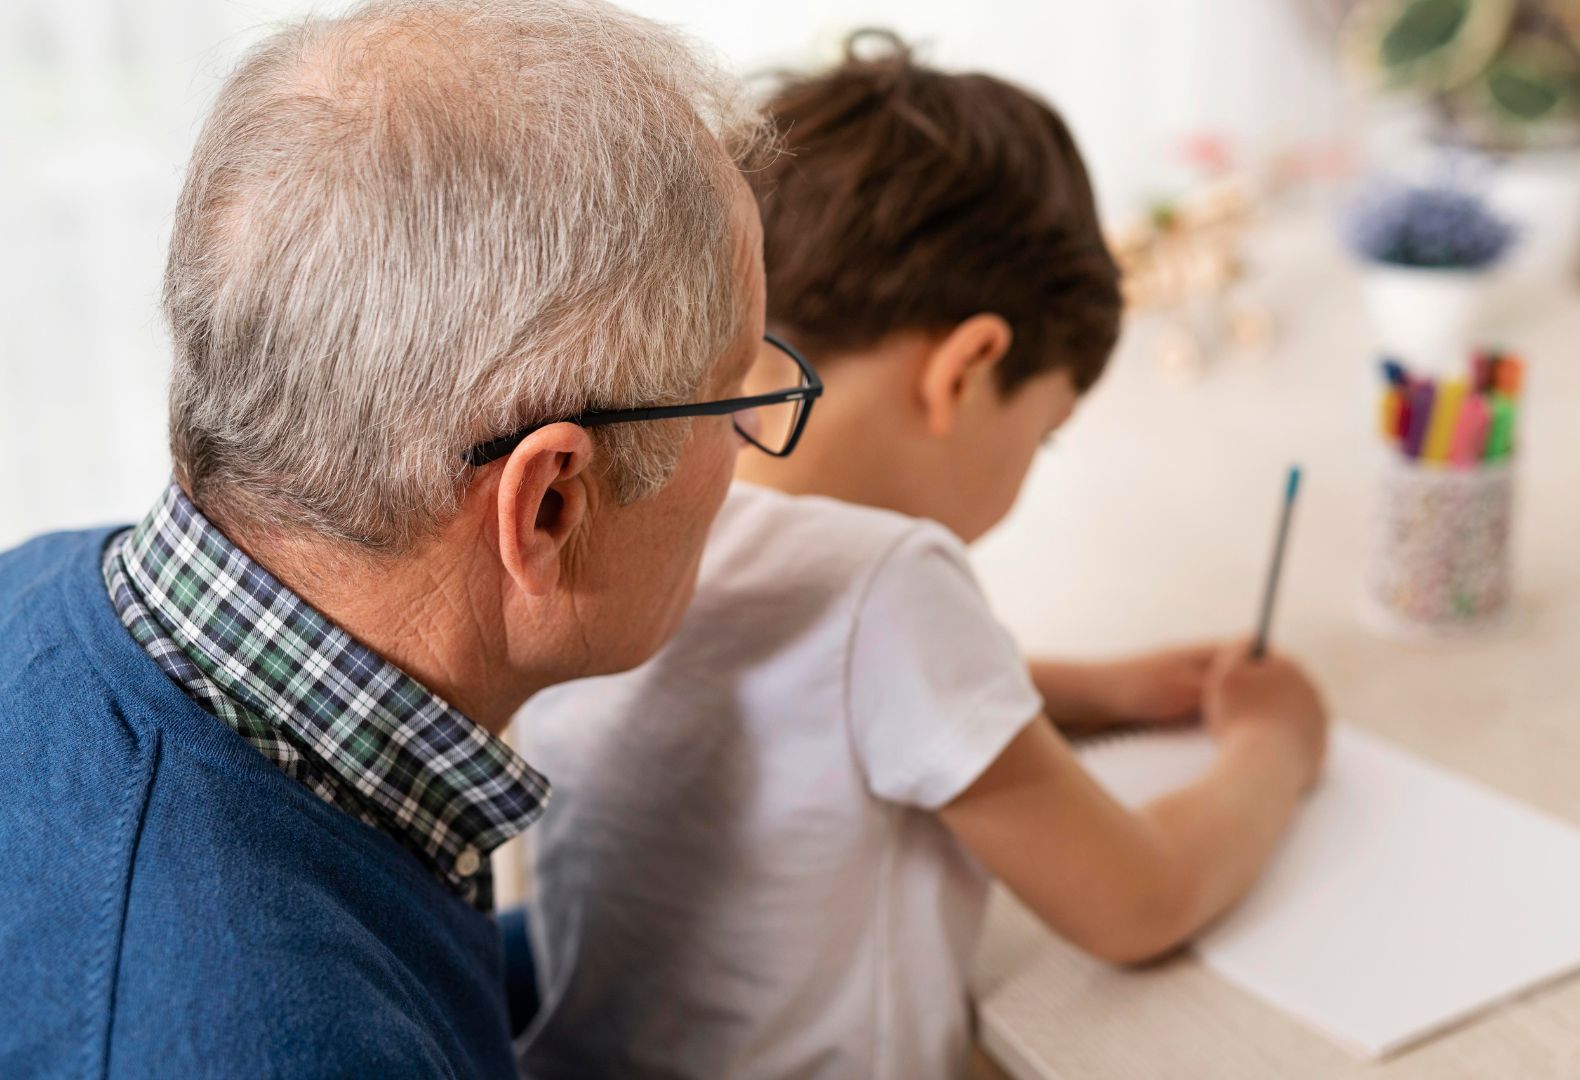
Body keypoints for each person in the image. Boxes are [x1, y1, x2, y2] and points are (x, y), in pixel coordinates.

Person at [514, 34, 1331, 1079]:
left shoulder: (639, 524)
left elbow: (810, 703)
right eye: (1042, 434)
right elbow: (1140, 900)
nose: (1031, 466)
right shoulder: (886, 580)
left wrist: (1104, 689)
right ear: (969, 368)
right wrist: (1273, 747)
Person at [0, 1, 789, 1074]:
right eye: (731, 392)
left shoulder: (47, 590)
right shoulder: (266, 1040)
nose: (748, 442)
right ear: (550, 501)